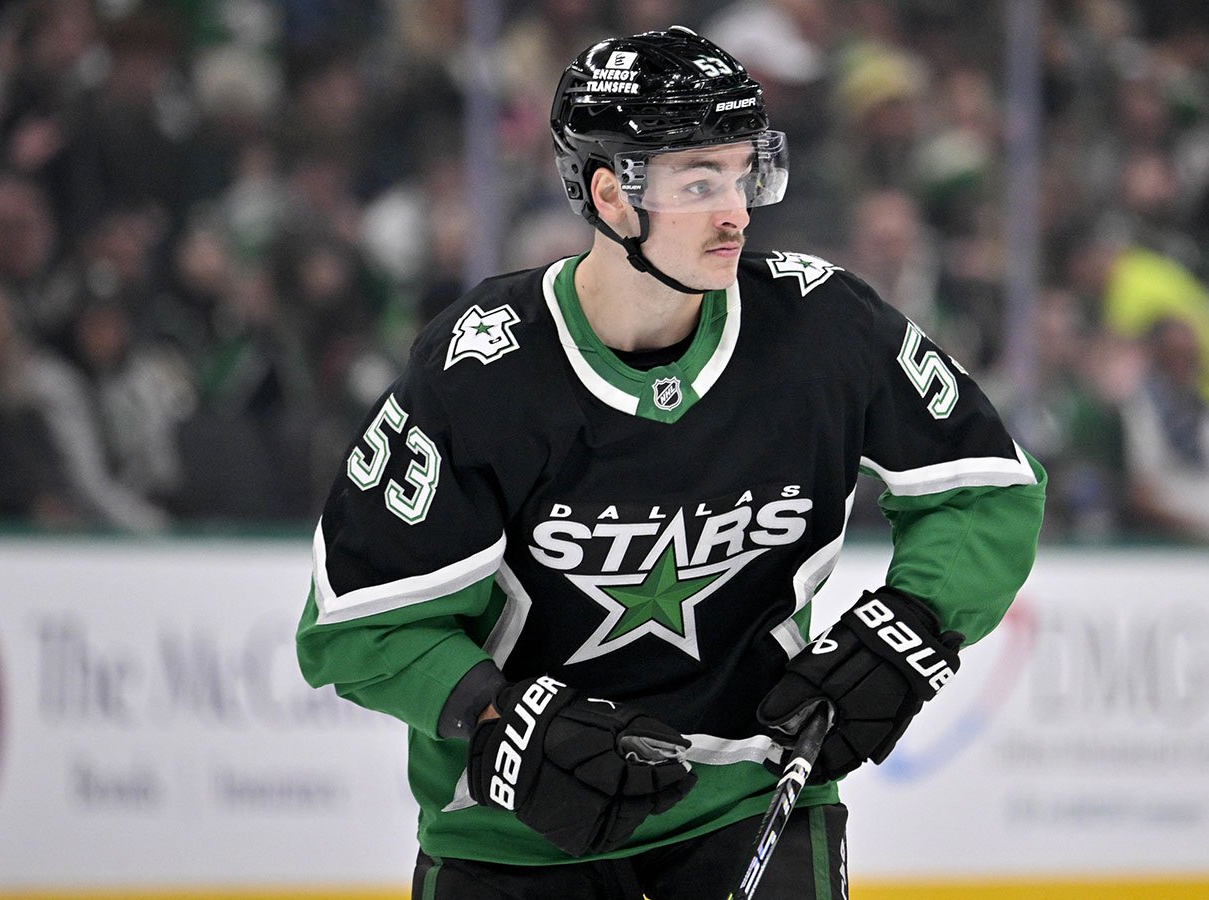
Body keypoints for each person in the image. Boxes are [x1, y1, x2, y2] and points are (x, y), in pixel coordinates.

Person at [295, 27, 1045, 900]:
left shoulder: (822, 328)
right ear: (611, 196)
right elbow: (355, 624)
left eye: (743, 173)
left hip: (754, 801)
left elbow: (988, 490)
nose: (737, 212)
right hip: (518, 837)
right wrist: (498, 714)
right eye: (698, 182)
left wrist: (911, 623)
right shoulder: (484, 373)